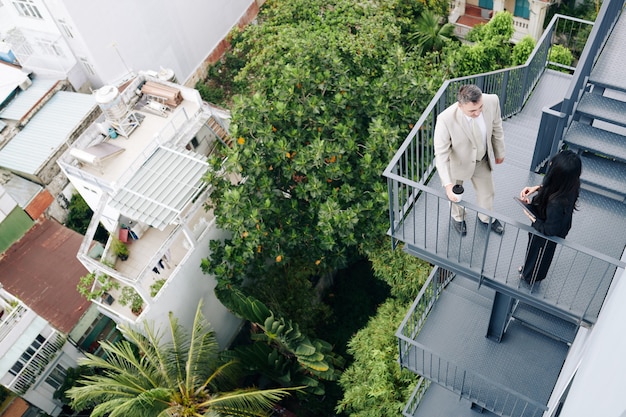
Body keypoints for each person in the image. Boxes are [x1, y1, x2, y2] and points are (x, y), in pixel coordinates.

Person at [434, 84, 506, 236]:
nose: (478, 112)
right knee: (454, 197)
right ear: (460, 106)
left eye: (480, 107)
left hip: (481, 160)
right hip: (457, 164)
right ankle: (458, 218)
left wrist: (499, 151)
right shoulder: (445, 119)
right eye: (472, 110)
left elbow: (497, 126)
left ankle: (486, 218)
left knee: (488, 193)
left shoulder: (492, 101)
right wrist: (447, 185)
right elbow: (441, 155)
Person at [518, 150, 582, 287]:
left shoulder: (556, 203)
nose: (550, 163)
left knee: (539, 254)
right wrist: (536, 188)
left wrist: (532, 218)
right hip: (555, 222)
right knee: (536, 251)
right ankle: (528, 270)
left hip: (548, 230)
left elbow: (550, 229)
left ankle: (530, 277)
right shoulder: (571, 185)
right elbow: (554, 189)